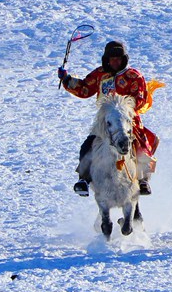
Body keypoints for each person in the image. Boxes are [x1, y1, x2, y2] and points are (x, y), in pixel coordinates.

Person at [58, 40, 159, 197]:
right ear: (106, 59)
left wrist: (124, 108)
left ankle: (142, 179)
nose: (115, 62)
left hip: (128, 121)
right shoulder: (100, 74)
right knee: (88, 145)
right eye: (112, 58)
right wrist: (67, 80)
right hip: (104, 122)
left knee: (141, 144)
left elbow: (140, 98)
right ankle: (83, 179)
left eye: (118, 58)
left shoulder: (134, 76)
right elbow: (85, 89)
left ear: (124, 59)